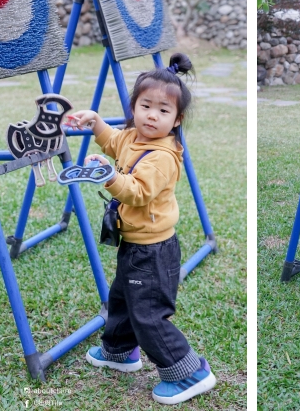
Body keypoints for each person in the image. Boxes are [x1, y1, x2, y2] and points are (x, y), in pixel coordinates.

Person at [65, 53, 216, 405]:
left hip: (153, 250)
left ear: (176, 120)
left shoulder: (163, 156)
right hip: (134, 245)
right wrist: (97, 123)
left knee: (147, 312)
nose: (152, 115)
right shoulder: (133, 137)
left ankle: (189, 372)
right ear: (133, 107)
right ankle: (119, 352)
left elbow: (137, 192)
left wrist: (110, 176)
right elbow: (115, 142)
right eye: (145, 105)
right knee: (121, 298)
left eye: (163, 111)